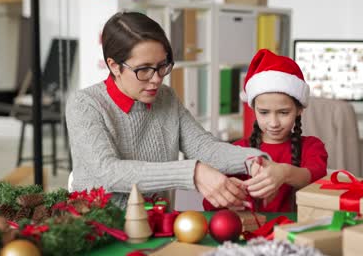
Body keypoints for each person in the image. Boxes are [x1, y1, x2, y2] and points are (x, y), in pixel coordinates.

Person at [65, 12, 267, 209]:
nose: (157, 79)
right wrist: (193, 172)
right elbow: (107, 172)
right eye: (143, 69)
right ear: (114, 66)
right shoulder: (84, 104)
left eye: (162, 66)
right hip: (99, 231)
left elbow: (204, 148)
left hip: (159, 226)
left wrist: (255, 160)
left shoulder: (166, 97)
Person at [204, 49, 328, 212]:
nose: (274, 123)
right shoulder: (239, 150)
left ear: (299, 110)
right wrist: (230, 194)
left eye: (284, 113)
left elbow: (316, 176)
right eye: (264, 112)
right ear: (254, 109)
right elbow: (209, 203)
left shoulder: (311, 146)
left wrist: (284, 172)